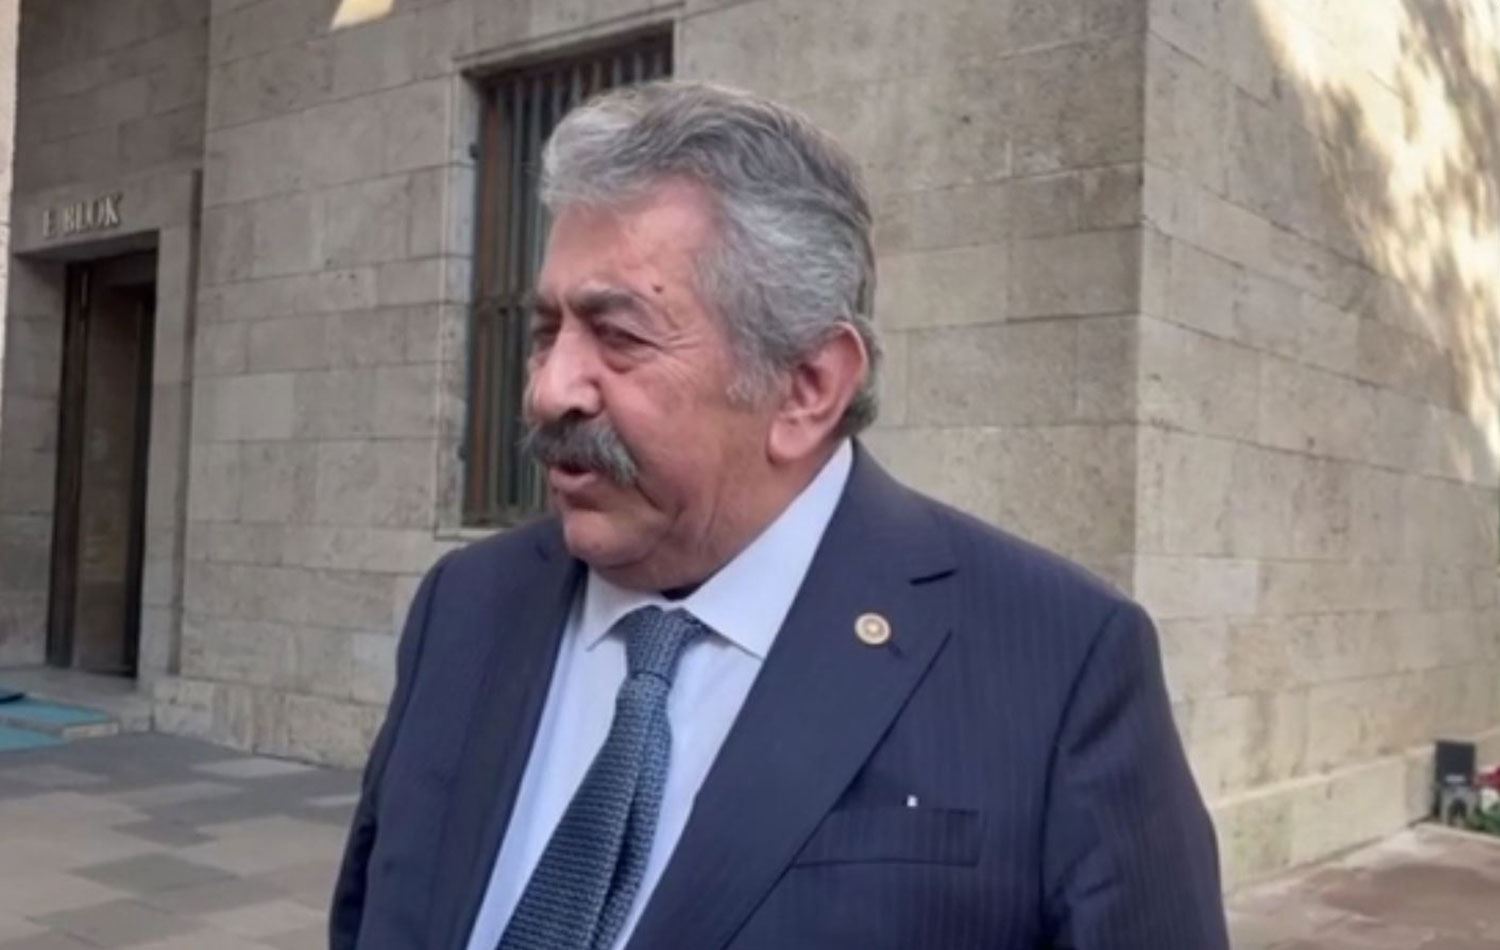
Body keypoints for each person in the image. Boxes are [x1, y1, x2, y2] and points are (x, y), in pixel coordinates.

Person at [330, 80, 1229, 950]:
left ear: (807, 388)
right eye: (545, 331)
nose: (548, 389)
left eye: (619, 335)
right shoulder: (466, 606)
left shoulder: (1058, 662)